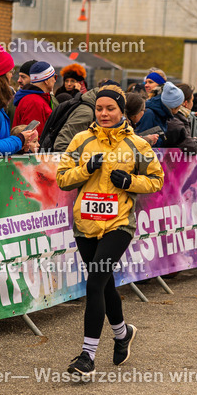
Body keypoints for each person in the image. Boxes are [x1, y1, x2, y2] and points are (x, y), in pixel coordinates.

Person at [56, 83, 163, 376]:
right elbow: (62, 178)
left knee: (93, 283)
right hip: (85, 223)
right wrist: (86, 170)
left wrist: (130, 183)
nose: (103, 113)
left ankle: (87, 356)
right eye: (99, 108)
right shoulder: (81, 140)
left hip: (119, 224)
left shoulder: (137, 145)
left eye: (110, 108)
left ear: (121, 111)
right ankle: (122, 333)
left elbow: (156, 180)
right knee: (104, 283)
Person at [11, 61, 55, 136]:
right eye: (54, 77)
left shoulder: (37, 99)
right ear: (47, 81)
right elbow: (32, 138)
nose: (55, 80)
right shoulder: (34, 102)